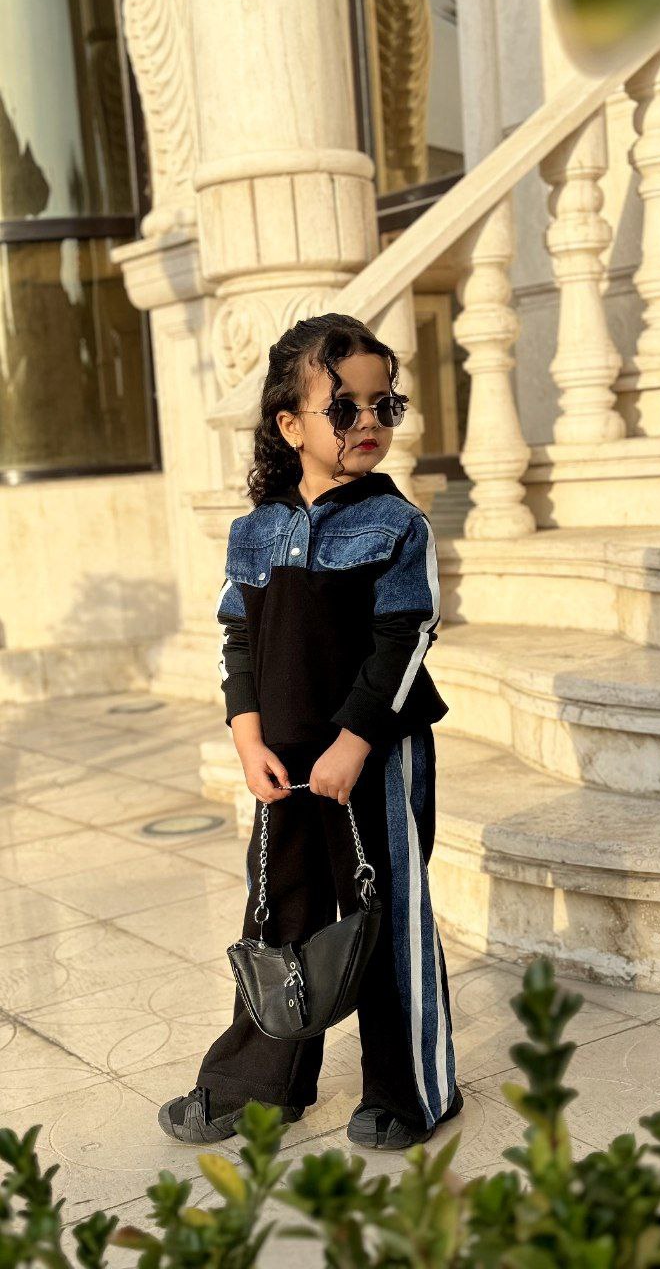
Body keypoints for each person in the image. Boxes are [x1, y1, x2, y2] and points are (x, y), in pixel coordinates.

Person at [158, 313, 463, 1151]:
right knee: (276, 911)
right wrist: (246, 736)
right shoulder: (255, 530)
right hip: (284, 758)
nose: (368, 422)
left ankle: (410, 1091)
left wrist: (354, 742)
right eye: (344, 408)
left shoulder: (396, 523)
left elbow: (406, 637)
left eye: (383, 405)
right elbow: (238, 638)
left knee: (383, 912)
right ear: (291, 426)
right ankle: (258, 1085)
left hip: (376, 752)